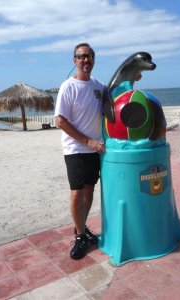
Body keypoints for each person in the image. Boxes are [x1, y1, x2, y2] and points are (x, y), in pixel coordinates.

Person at [55, 43, 106, 260]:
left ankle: (82, 229)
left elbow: (117, 93)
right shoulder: (68, 86)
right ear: (74, 61)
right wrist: (88, 141)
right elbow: (60, 120)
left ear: (94, 60)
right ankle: (79, 236)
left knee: (89, 191)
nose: (86, 60)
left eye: (90, 56)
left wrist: (133, 79)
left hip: (95, 149)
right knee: (77, 194)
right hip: (76, 148)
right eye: (81, 56)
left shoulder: (99, 86)